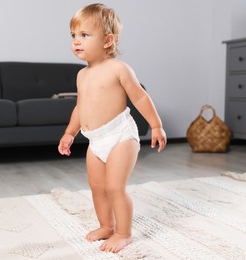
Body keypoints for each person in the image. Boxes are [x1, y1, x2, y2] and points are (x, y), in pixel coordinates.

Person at [58, 3, 167, 254]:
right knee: (97, 187)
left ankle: (123, 233)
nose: (77, 41)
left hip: (120, 136)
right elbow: (80, 107)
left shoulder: (119, 69)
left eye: (85, 35)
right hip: (95, 140)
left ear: (107, 40)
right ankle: (106, 225)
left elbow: (140, 97)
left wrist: (156, 125)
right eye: (73, 35)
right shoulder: (81, 75)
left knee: (115, 187)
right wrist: (70, 132)